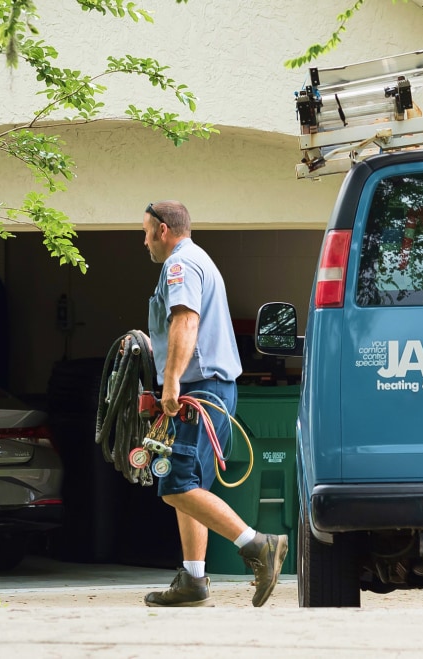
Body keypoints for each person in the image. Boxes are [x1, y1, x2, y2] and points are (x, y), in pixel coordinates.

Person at [138, 200, 288, 608]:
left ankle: (258, 545)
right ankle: (193, 579)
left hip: (198, 391)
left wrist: (170, 382)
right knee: (190, 485)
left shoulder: (179, 266)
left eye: (147, 231)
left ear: (164, 230)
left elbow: (186, 321)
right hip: (212, 389)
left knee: (176, 484)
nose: (144, 240)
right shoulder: (200, 259)